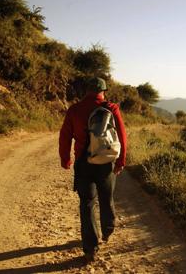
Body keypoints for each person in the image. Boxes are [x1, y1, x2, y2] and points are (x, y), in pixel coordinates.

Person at [59, 77, 127, 262]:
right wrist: (121, 161)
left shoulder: (74, 109)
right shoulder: (111, 108)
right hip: (106, 162)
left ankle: (90, 248)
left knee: (87, 203)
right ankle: (107, 230)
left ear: (87, 90)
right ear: (103, 91)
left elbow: (65, 136)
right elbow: (121, 136)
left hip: (83, 163)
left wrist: (66, 159)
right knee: (107, 198)